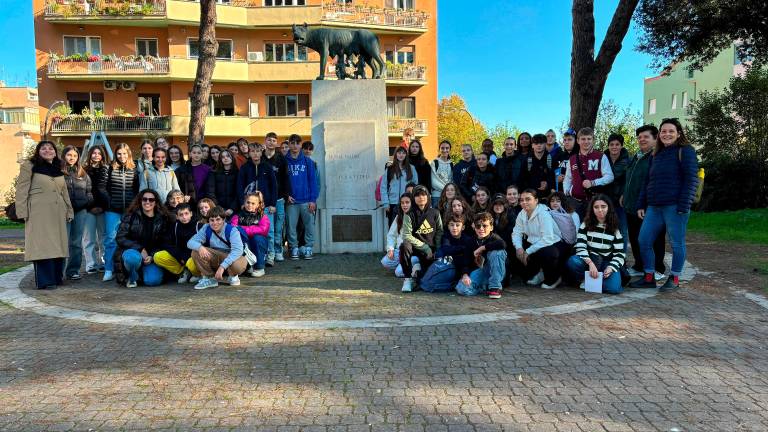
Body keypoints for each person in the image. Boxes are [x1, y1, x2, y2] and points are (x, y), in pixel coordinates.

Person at [630, 118, 699, 292]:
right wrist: (641, 204)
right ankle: (648, 277)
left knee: (676, 243)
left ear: (679, 133)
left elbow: (691, 179)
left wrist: (684, 205)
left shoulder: (686, 151)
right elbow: (648, 181)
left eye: (671, 131)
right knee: (643, 240)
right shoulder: (656, 154)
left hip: (675, 206)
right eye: (663, 131)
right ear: (659, 135)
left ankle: (674, 278)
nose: (666, 134)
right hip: (654, 207)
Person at [15, 141, 73, 289]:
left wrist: (69, 210)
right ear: (38, 151)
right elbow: (22, 189)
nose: (47, 150)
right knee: (42, 245)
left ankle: (56, 277)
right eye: (43, 148)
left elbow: (64, 191)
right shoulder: (29, 166)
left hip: (58, 212)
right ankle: (46, 281)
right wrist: (22, 212)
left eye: (50, 148)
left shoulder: (58, 167)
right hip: (38, 212)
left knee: (57, 245)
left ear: (55, 151)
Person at [623, 125, 666, 279]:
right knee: (635, 238)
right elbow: (630, 179)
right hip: (631, 206)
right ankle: (640, 265)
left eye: (646, 136)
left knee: (654, 238)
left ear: (655, 138)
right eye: (639, 137)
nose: (642, 139)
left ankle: (658, 268)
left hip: (650, 207)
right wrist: (624, 194)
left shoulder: (657, 156)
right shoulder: (636, 156)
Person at [566, 194, 626, 294]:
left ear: (608, 208)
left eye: (603, 206)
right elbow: (580, 246)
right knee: (573, 261)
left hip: (607, 261)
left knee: (613, 289)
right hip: (589, 259)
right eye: (596, 207)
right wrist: (590, 264)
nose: (600, 210)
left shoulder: (615, 227)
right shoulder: (585, 224)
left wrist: (611, 267)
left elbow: (620, 253)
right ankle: (585, 278)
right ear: (592, 209)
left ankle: (597, 280)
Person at [512, 189, 567, 289]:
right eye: (522, 200)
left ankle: (555, 278)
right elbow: (516, 232)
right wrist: (519, 248)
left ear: (536, 200)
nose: (524, 202)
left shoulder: (543, 213)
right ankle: (540, 273)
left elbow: (547, 239)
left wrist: (527, 252)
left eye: (528, 199)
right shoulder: (522, 213)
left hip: (554, 244)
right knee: (516, 251)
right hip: (535, 244)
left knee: (548, 253)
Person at [115, 189, 170, 288]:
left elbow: (164, 242)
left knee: (153, 281)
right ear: (140, 201)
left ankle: (140, 273)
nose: (147, 202)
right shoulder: (130, 216)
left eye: (151, 200)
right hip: (132, 252)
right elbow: (120, 238)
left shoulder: (162, 219)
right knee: (132, 258)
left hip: (151, 256)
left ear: (156, 202)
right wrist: (140, 249)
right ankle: (132, 277)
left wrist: (152, 256)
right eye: (144, 199)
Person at [187, 206, 248, 290]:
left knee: (238, 265)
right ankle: (210, 278)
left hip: (231, 257)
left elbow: (238, 250)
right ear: (208, 221)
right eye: (212, 220)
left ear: (223, 220)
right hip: (216, 256)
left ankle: (233, 275)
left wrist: (222, 267)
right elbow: (190, 242)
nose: (215, 223)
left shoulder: (232, 230)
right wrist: (200, 247)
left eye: (218, 219)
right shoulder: (206, 228)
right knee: (196, 251)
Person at [237, 143, 278, 265]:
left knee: (269, 232)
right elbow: (239, 186)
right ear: (249, 153)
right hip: (249, 206)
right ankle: (255, 255)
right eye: (253, 151)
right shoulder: (245, 168)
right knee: (252, 231)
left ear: (261, 152)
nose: (255, 154)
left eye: (258, 151)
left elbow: (274, 186)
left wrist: (273, 204)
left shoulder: (267, 167)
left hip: (265, 206)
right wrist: (242, 203)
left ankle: (270, 254)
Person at [104, 143, 139, 282]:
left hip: (129, 210)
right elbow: (104, 188)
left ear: (129, 154)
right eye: (119, 153)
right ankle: (108, 269)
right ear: (115, 154)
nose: (122, 156)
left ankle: (124, 268)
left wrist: (134, 206)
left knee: (128, 238)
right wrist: (110, 202)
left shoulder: (135, 169)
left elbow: (137, 189)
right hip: (113, 210)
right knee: (111, 239)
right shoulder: (110, 168)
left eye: (124, 153)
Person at [399, 185, 443, 292]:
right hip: (416, 248)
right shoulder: (409, 214)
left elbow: (439, 231)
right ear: (413, 198)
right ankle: (408, 278)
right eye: (417, 195)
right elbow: (407, 235)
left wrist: (436, 250)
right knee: (404, 245)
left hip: (430, 250)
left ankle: (418, 272)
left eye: (423, 194)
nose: (421, 197)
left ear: (428, 196)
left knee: (425, 282)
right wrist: (425, 247)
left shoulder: (435, 213)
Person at [563, 127, 615, 217]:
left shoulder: (601, 156)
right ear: (578, 141)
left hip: (593, 202)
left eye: (589, 139)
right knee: (574, 228)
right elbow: (568, 178)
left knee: (591, 229)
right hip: (574, 202)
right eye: (583, 139)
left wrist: (593, 183)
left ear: (593, 140)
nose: (586, 141)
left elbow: (610, 177)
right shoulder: (572, 159)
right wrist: (567, 192)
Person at [455, 212, 507, 299]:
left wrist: (483, 248)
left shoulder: (494, 238)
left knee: (497, 252)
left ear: (491, 227)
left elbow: (503, 244)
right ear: (474, 227)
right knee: (462, 289)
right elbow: (466, 261)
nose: (481, 229)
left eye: (485, 226)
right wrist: (465, 275)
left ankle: (495, 287)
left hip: (495, 272)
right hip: (481, 271)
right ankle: (483, 287)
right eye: (478, 226)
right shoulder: (470, 241)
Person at [285, 135, 319, 260]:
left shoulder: (308, 162)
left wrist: (312, 200)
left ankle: (308, 247)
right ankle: (294, 248)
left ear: (300, 145)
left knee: (309, 225)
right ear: (289, 144)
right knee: (291, 226)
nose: (294, 146)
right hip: (291, 201)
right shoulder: (284, 161)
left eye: (297, 143)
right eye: (292, 143)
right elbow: (282, 181)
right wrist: (286, 195)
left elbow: (313, 182)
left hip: (306, 201)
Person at [62, 145, 92, 281]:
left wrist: (87, 202)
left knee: (76, 242)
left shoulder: (82, 173)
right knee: (62, 242)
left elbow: (89, 191)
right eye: (69, 155)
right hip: (63, 212)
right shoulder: (58, 172)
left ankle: (73, 270)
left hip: (80, 211)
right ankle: (59, 271)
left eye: (74, 156)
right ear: (64, 156)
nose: (72, 158)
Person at [152, 203, 200, 284]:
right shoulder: (174, 226)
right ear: (177, 216)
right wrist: (179, 256)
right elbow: (166, 243)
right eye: (181, 215)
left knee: (191, 263)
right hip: (180, 257)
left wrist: (185, 258)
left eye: (186, 213)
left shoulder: (198, 226)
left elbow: (203, 245)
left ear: (191, 214)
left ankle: (197, 274)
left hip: (193, 256)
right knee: (158, 256)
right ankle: (183, 272)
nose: (184, 217)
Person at [263, 132, 291, 263]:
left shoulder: (281, 159)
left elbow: (286, 179)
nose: (271, 142)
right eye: (269, 140)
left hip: (279, 199)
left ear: (276, 143)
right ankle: (269, 252)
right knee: (268, 228)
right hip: (264, 200)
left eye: (274, 140)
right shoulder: (260, 158)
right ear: (265, 141)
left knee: (279, 228)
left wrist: (286, 195)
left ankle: (278, 250)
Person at [82, 144, 110, 274]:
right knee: (89, 238)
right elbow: (83, 190)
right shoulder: (83, 170)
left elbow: (106, 190)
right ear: (90, 154)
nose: (96, 155)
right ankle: (90, 264)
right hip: (89, 209)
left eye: (99, 153)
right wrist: (90, 207)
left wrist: (103, 206)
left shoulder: (107, 169)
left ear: (102, 155)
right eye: (94, 153)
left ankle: (104, 262)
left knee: (103, 237)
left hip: (103, 209)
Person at [231, 192, 270, 277]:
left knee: (257, 239)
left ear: (258, 205)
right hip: (244, 242)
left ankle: (259, 267)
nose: (250, 205)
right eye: (248, 202)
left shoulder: (263, 216)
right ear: (244, 203)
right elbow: (234, 228)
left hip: (258, 242)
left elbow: (263, 230)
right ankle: (247, 266)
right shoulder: (237, 216)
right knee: (239, 240)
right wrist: (250, 229)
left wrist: (244, 229)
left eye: (253, 203)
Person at [604, 133, 630, 251]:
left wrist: (624, 194)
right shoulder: (602, 159)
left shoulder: (628, 161)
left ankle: (621, 259)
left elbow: (629, 180)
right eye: (611, 144)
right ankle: (608, 257)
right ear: (608, 146)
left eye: (617, 144)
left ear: (621, 146)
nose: (614, 147)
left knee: (622, 231)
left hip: (620, 201)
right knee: (606, 230)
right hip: (605, 200)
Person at [380, 146, 418, 226]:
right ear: (396, 154)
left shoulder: (411, 168)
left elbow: (415, 186)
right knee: (393, 228)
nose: (401, 155)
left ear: (406, 155)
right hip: (393, 203)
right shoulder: (390, 169)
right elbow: (383, 186)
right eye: (399, 153)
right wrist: (386, 203)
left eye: (403, 153)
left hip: (407, 203)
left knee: (408, 227)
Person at [381, 193, 413, 276]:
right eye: (402, 203)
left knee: (398, 272)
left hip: (411, 252)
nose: (404, 205)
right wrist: (390, 249)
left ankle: (413, 268)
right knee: (385, 262)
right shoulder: (399, 217)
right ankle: (402, 264)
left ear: (412, 203)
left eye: (407, 202)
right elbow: (391, 235)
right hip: (399, 251)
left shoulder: (416, 216)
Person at [205, 149, 239, 218]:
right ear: (220, 159)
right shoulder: (213, 173)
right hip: (217, 209)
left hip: (234, 210)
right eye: (223, 157)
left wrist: (232, 208)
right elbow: (210, 192)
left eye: (228, 156)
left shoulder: (238, 173)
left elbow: (239, 192)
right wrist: (218, 208)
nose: (225, 158)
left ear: (232, 158)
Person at [522, 133, 555, 197]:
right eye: (536, 143)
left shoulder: (551, 159)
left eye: (541, 143)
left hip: (547, 196)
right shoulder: (527, 160)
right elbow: (522, 178)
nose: (539, 145)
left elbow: (554, 177)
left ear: (545, 144)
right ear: (532, 145)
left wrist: (548, 183)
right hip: (531, 196)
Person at [554, 128, 579, 193]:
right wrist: (556, 178)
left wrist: (568, 178)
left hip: (574, 193)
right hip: (560, 193)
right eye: (565, 140)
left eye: (570, 139)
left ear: (576, 141)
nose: (566, 142)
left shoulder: (580, 156)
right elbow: (553, 172)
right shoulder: (560, 156)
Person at [430, 140, 453, 207]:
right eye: (442, 148)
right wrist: (447, 190)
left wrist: (449, 191)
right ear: (439, 149)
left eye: (447, 148)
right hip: (437, 196)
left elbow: (451, 180)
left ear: (450, 150)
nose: (445, 150)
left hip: (448, 196)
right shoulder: (434, 163)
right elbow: (433, 181)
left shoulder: (451, 164)